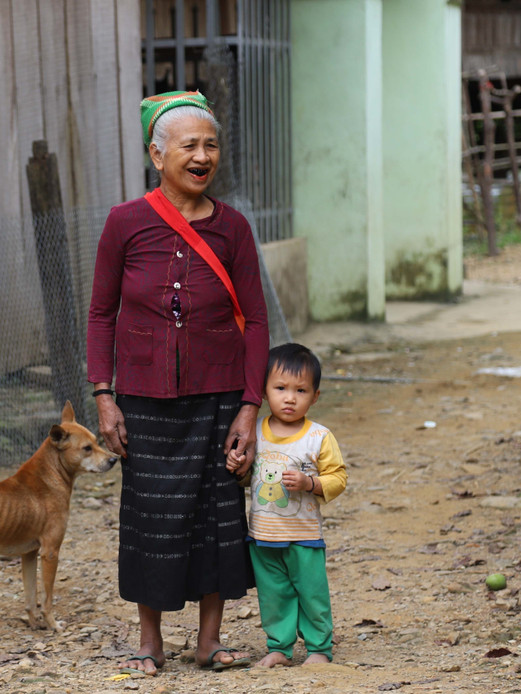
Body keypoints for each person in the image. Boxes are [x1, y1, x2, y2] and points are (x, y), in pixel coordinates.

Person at [86, 90, 269, 675]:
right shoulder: (125, 223)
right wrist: (104, 395)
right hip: (144, 400)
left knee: (216, 516)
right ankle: (150, 642)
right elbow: (101, 314)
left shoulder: (233, 228)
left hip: (219, 398)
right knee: (153, 520)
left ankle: (209, 641)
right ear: (157, 154)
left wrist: (249, 407)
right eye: (190, 145)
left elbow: (256, 320)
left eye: (211, 145)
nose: (203, 156)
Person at [227, 342, 348, 668]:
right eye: (280, 388)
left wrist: (310, 483)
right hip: (263, 536)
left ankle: (319, 649)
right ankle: (279, 647)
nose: (290, 398)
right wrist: (237, 467)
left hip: (304, 536)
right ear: (264, 391)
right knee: (273, 595)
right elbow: (248, 478)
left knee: (312, 594)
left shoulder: (318, 437)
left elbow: (338, 477)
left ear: (315, 396)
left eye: (301, 390)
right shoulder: (254, 432)